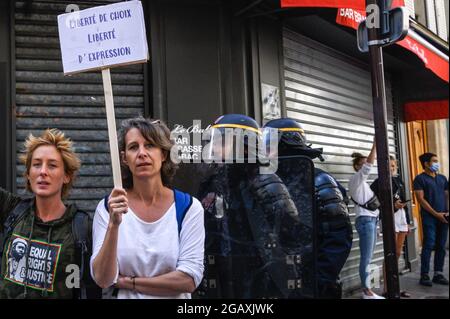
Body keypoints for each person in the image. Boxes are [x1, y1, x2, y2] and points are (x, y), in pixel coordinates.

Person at [90, 117, 205, 299]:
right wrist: (114, 225)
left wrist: (128, 282)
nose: (142, 153)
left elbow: (189, 279)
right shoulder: (109, 207)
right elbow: (103, 279)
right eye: (133, 147)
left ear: (164, 154)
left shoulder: (188, 208)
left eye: (150, 145)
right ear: (124, 158)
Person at [197, 114, 303, 299]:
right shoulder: (215, 182)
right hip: (225, 279)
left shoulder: (266, 182)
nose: (213, 148)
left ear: (245, 147)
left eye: (221, 143)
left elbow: (292, 237)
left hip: (258, 284)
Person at [0, 128, 99, 299]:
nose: (43, 172)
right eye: (37, 164)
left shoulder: (81, 228)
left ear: (66, 176)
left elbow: (84, 285)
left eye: (52, 165)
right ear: (28, 175)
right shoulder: (12, 210)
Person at [262, 118, 353, 299]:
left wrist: (319, 280)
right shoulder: (267, 181)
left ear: (286, 143)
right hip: (275, 282)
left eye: (268, 143)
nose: (264, 150)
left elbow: (338, 237)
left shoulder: (320, 181)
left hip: (312, 285)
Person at [348, 141, 385, 299]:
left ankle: (369, 290)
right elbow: (369, 164)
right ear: (357, 167)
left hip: (370, 222)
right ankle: (367, 292)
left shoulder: (363, 184)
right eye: (362, 164)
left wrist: (376, 225)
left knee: (369, 257)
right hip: (366, 221)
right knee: (367, 258)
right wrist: (375, 146)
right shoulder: (356, 180)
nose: (366, 166)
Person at [371, 155, 411, 298]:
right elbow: (374, 203)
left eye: (393, 166)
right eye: (389, 166)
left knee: (398, 253)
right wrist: (392, 207)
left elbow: (403, 198)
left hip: (401, 218)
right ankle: (387, 289)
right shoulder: (377, 183)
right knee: (390, 254)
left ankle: (395, 287)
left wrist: (408, 219)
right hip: (389, 218)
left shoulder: (398, 180)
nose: (392, 169)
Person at [413, 152, 449, 287]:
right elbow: (421, 200)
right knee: (429, 244)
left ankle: (438, 273)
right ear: (426, 164)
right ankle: (425, 275)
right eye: (434, 161)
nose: (437, 163)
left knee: (441, 245)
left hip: (444, 216)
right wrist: (436, 214)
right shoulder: (419, 179)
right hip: (430, 217)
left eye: (437, 161)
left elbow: (447, 196)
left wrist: (447, 212)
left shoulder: (442, 178)